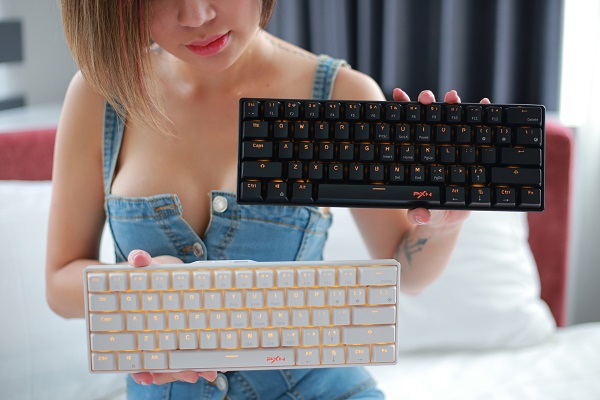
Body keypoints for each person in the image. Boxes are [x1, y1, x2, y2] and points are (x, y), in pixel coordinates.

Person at [47, 0, 490, 398]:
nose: (197, 16)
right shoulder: (101, 95)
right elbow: (59, 283)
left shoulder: (340, 94)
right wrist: (136, 290)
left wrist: (441, 225)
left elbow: (404, 272)